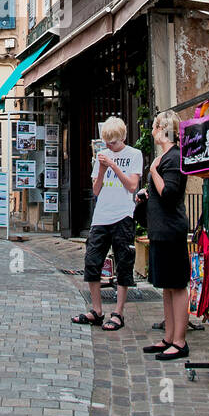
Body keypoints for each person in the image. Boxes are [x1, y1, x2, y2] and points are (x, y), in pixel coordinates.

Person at [71, 117, 142, 333]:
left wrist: (113, 165)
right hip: (101, 216)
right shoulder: (102, 156)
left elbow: (132, 186)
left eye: (113, 143)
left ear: (122, 138)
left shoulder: (133, 154)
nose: (110, 146)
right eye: (107, 143)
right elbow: (96, 190)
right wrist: (102, 169)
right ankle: (97, 310)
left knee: (123, 264)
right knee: (92, 263)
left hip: (123, 216)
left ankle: (118, 312)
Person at [141, 111, 190, 359]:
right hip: (161, 230)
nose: (151, 131)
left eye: (154, 127)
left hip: (171, 230)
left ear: (162, 129)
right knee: (168, 287)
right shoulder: (166, 157)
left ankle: (180, 341)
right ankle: (169, 337)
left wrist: (154, 171)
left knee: (178, 286)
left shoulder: (174, 157)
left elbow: (170, 193)